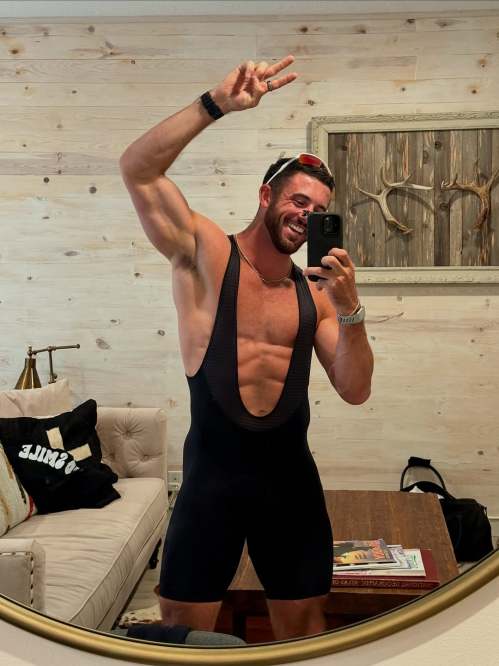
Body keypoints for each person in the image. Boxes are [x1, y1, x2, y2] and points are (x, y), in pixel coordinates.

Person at [120, 55, 373, 641]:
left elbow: (356, 390)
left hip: (290, 485)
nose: (308, 217)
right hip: (211, 480)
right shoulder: (206, 254)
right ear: (266, 195)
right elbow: (138, 169)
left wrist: (352, 309)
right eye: (299, 202)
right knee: (183, 637)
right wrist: (215, 105)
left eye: (320, 212)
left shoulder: (317, 294)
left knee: (304, 634)